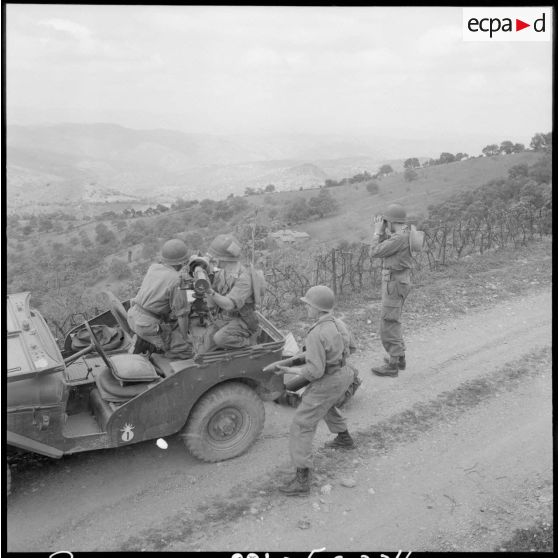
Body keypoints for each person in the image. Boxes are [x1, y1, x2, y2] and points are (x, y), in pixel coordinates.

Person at [273, 285, 357, 496]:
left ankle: (302, 480)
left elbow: (315, 371)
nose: (306, 309)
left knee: (302, 424)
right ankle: (344, 438)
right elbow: (352, 348)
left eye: (308, 305)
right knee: (326, 405)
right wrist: (295, 361)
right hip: (345, 374)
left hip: (327, 380)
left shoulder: (316, 333)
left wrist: (289, 370)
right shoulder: (339, 323)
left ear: (317, 309)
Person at [127, 238, 193, 360]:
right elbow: (182, 315)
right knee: (187, 350)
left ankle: (148, 340)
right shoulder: (177, 281)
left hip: (133, 316)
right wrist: (186, 338)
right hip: (148, 325)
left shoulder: (154, 267)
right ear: (183, 262)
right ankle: (159, 351)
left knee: (171, 325)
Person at [369, 203, 413, 377]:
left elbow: (374, 252)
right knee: (392, 319)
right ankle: (399, 358)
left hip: (394, 284)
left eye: (386, 222)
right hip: (397, 282)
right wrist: (383, 232)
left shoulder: (399, 238)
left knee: (389, 322)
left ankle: (393, 365)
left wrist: (377, 232)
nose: (384, 224)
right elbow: (384, 250)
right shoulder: (403, 235)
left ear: (391, 221)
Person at [202, 233, 261, 351]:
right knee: (206, 347)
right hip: (227, 317)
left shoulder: (244, 277)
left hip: (244, 320)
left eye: (214, 257)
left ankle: (250, 343)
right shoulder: (223, 272)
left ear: (222, 259)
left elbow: (229, 305)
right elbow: (211, 303)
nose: (212, 260)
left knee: (220, 339)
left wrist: (210, 291)